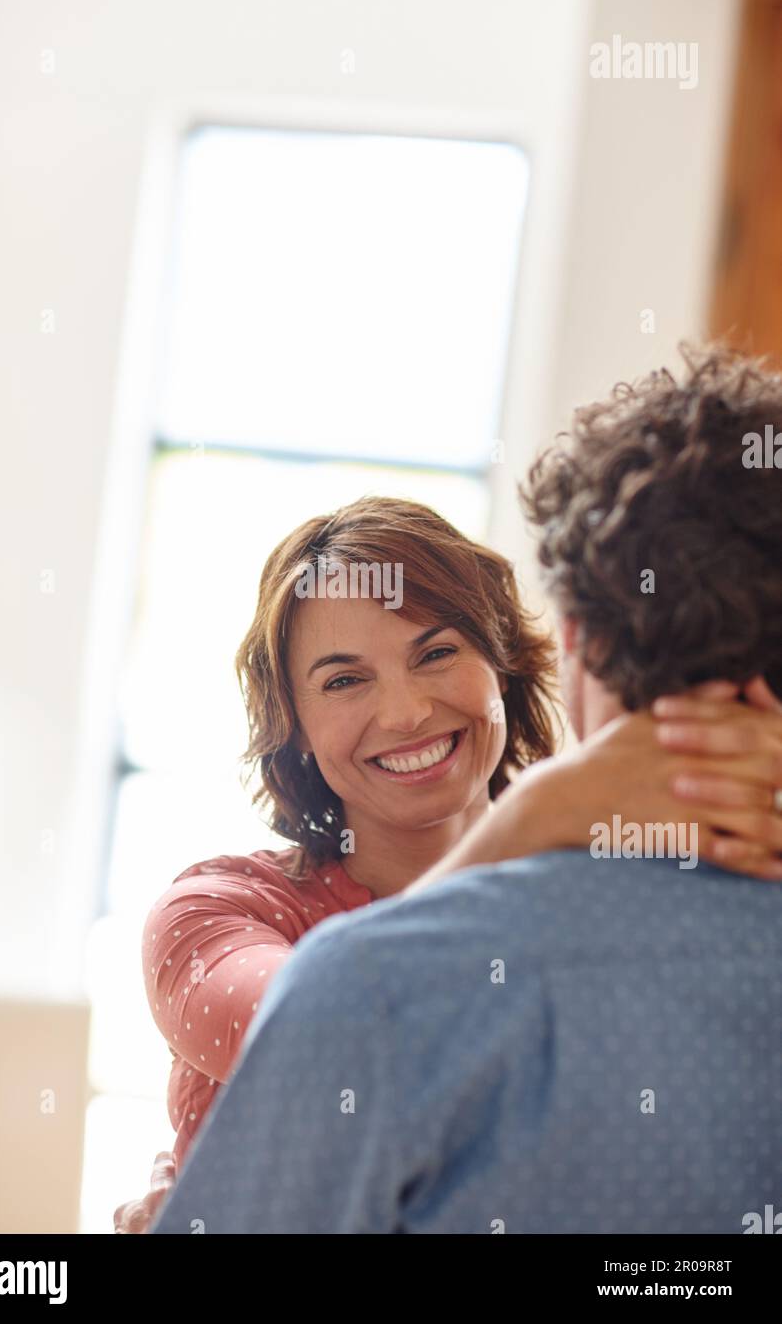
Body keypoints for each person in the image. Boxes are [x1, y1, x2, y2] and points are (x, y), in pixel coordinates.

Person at [149, 343, 782, 1234]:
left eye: (438, 652)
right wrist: (540, 809)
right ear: (286, 719)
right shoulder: (220, 912)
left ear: (535, 656)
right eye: (342, 680)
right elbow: (317, 1038)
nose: (406, 713)